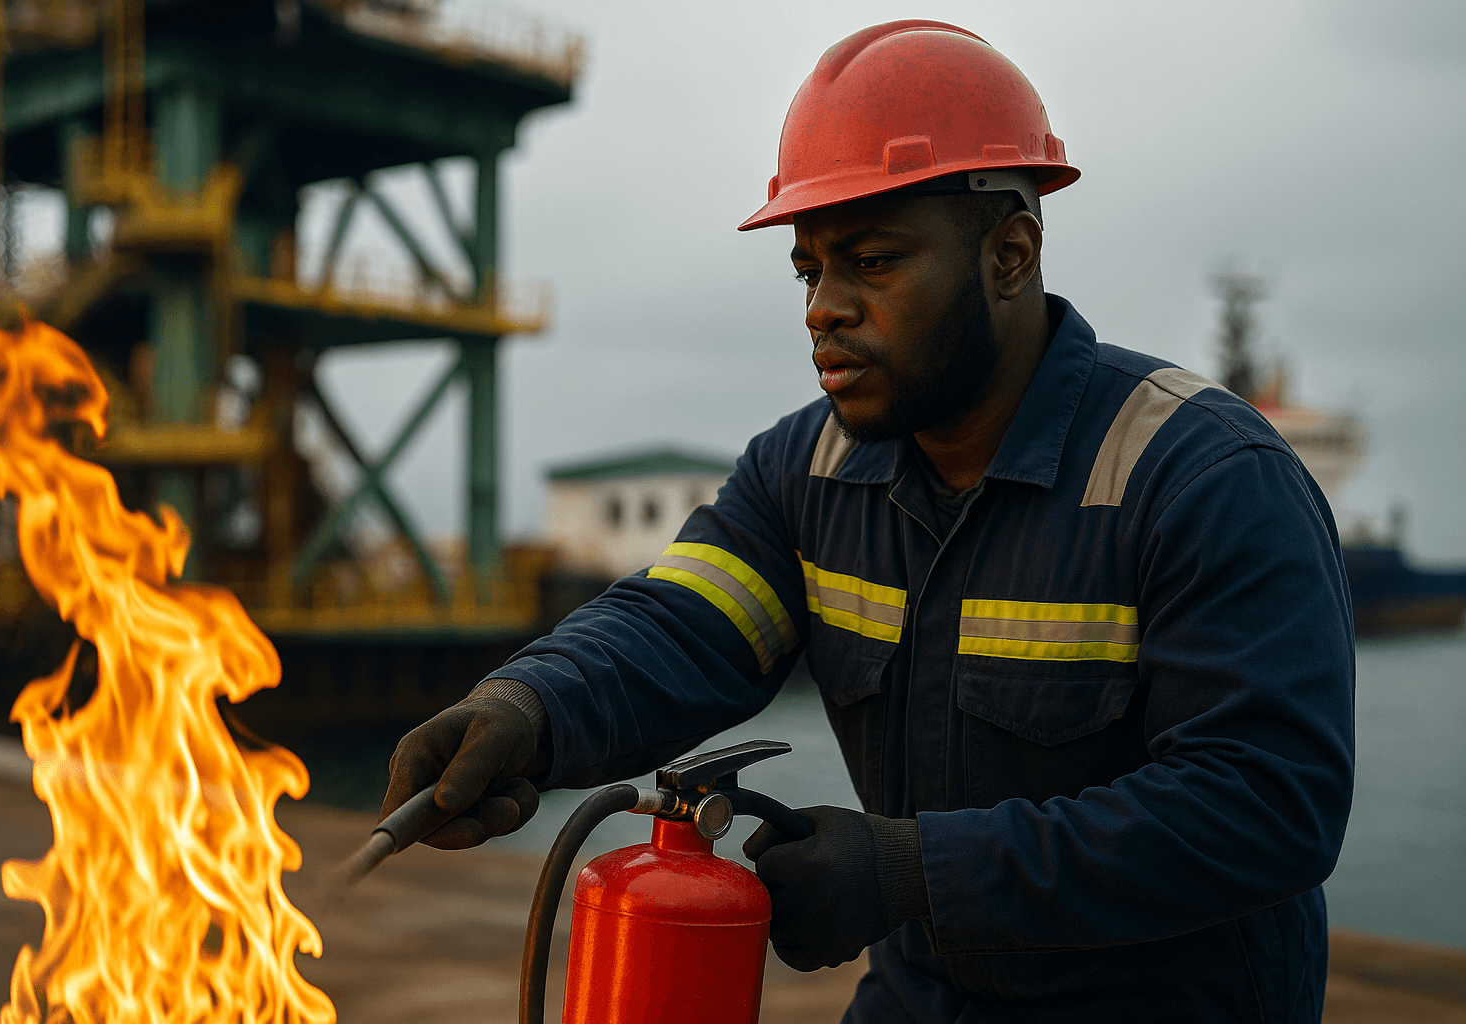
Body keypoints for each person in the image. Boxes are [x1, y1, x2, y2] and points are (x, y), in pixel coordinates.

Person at [380, 20, 1355, 1022]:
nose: (823, 309)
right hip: (924, 997)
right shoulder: (808, 472)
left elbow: (1267, 805)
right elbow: (679, 626)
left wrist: (914, 874)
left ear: (1011, 253)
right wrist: (527, 710)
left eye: (873, 263)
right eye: (810, 271)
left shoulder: (1201, 477)